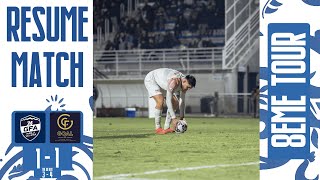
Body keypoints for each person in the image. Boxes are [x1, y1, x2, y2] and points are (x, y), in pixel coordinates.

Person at [144, 68, 196, 134]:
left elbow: (182, 101)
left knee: (175, 103)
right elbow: (168, 100)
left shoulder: (184, 82)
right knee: (160, 100)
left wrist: (182, 117)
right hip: (152, 79)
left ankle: (167, 127)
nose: (187, 89)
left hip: (163, 82)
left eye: (189, 88)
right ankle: (158, 128)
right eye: (188, 87)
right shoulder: (174, 82)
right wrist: (174, 118)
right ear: (184, 81)